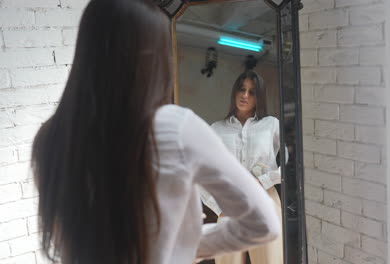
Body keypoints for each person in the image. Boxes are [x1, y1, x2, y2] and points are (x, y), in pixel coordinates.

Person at [30, 1, 280, 264]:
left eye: (251, 92)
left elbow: (68, 239)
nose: (245, 95)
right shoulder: (176, 128)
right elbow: (263, 223)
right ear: (155, 60)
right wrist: (182, 247)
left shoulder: (50, 139)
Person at [199, 67, 284, 264]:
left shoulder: (271, 125)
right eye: (241, 89)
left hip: (265, 201)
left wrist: (264, 180)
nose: (244, 95)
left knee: (270, 261)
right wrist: (217, 206)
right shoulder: (217, 130)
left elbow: (289, 165)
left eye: (251, 92)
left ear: (259, 97)